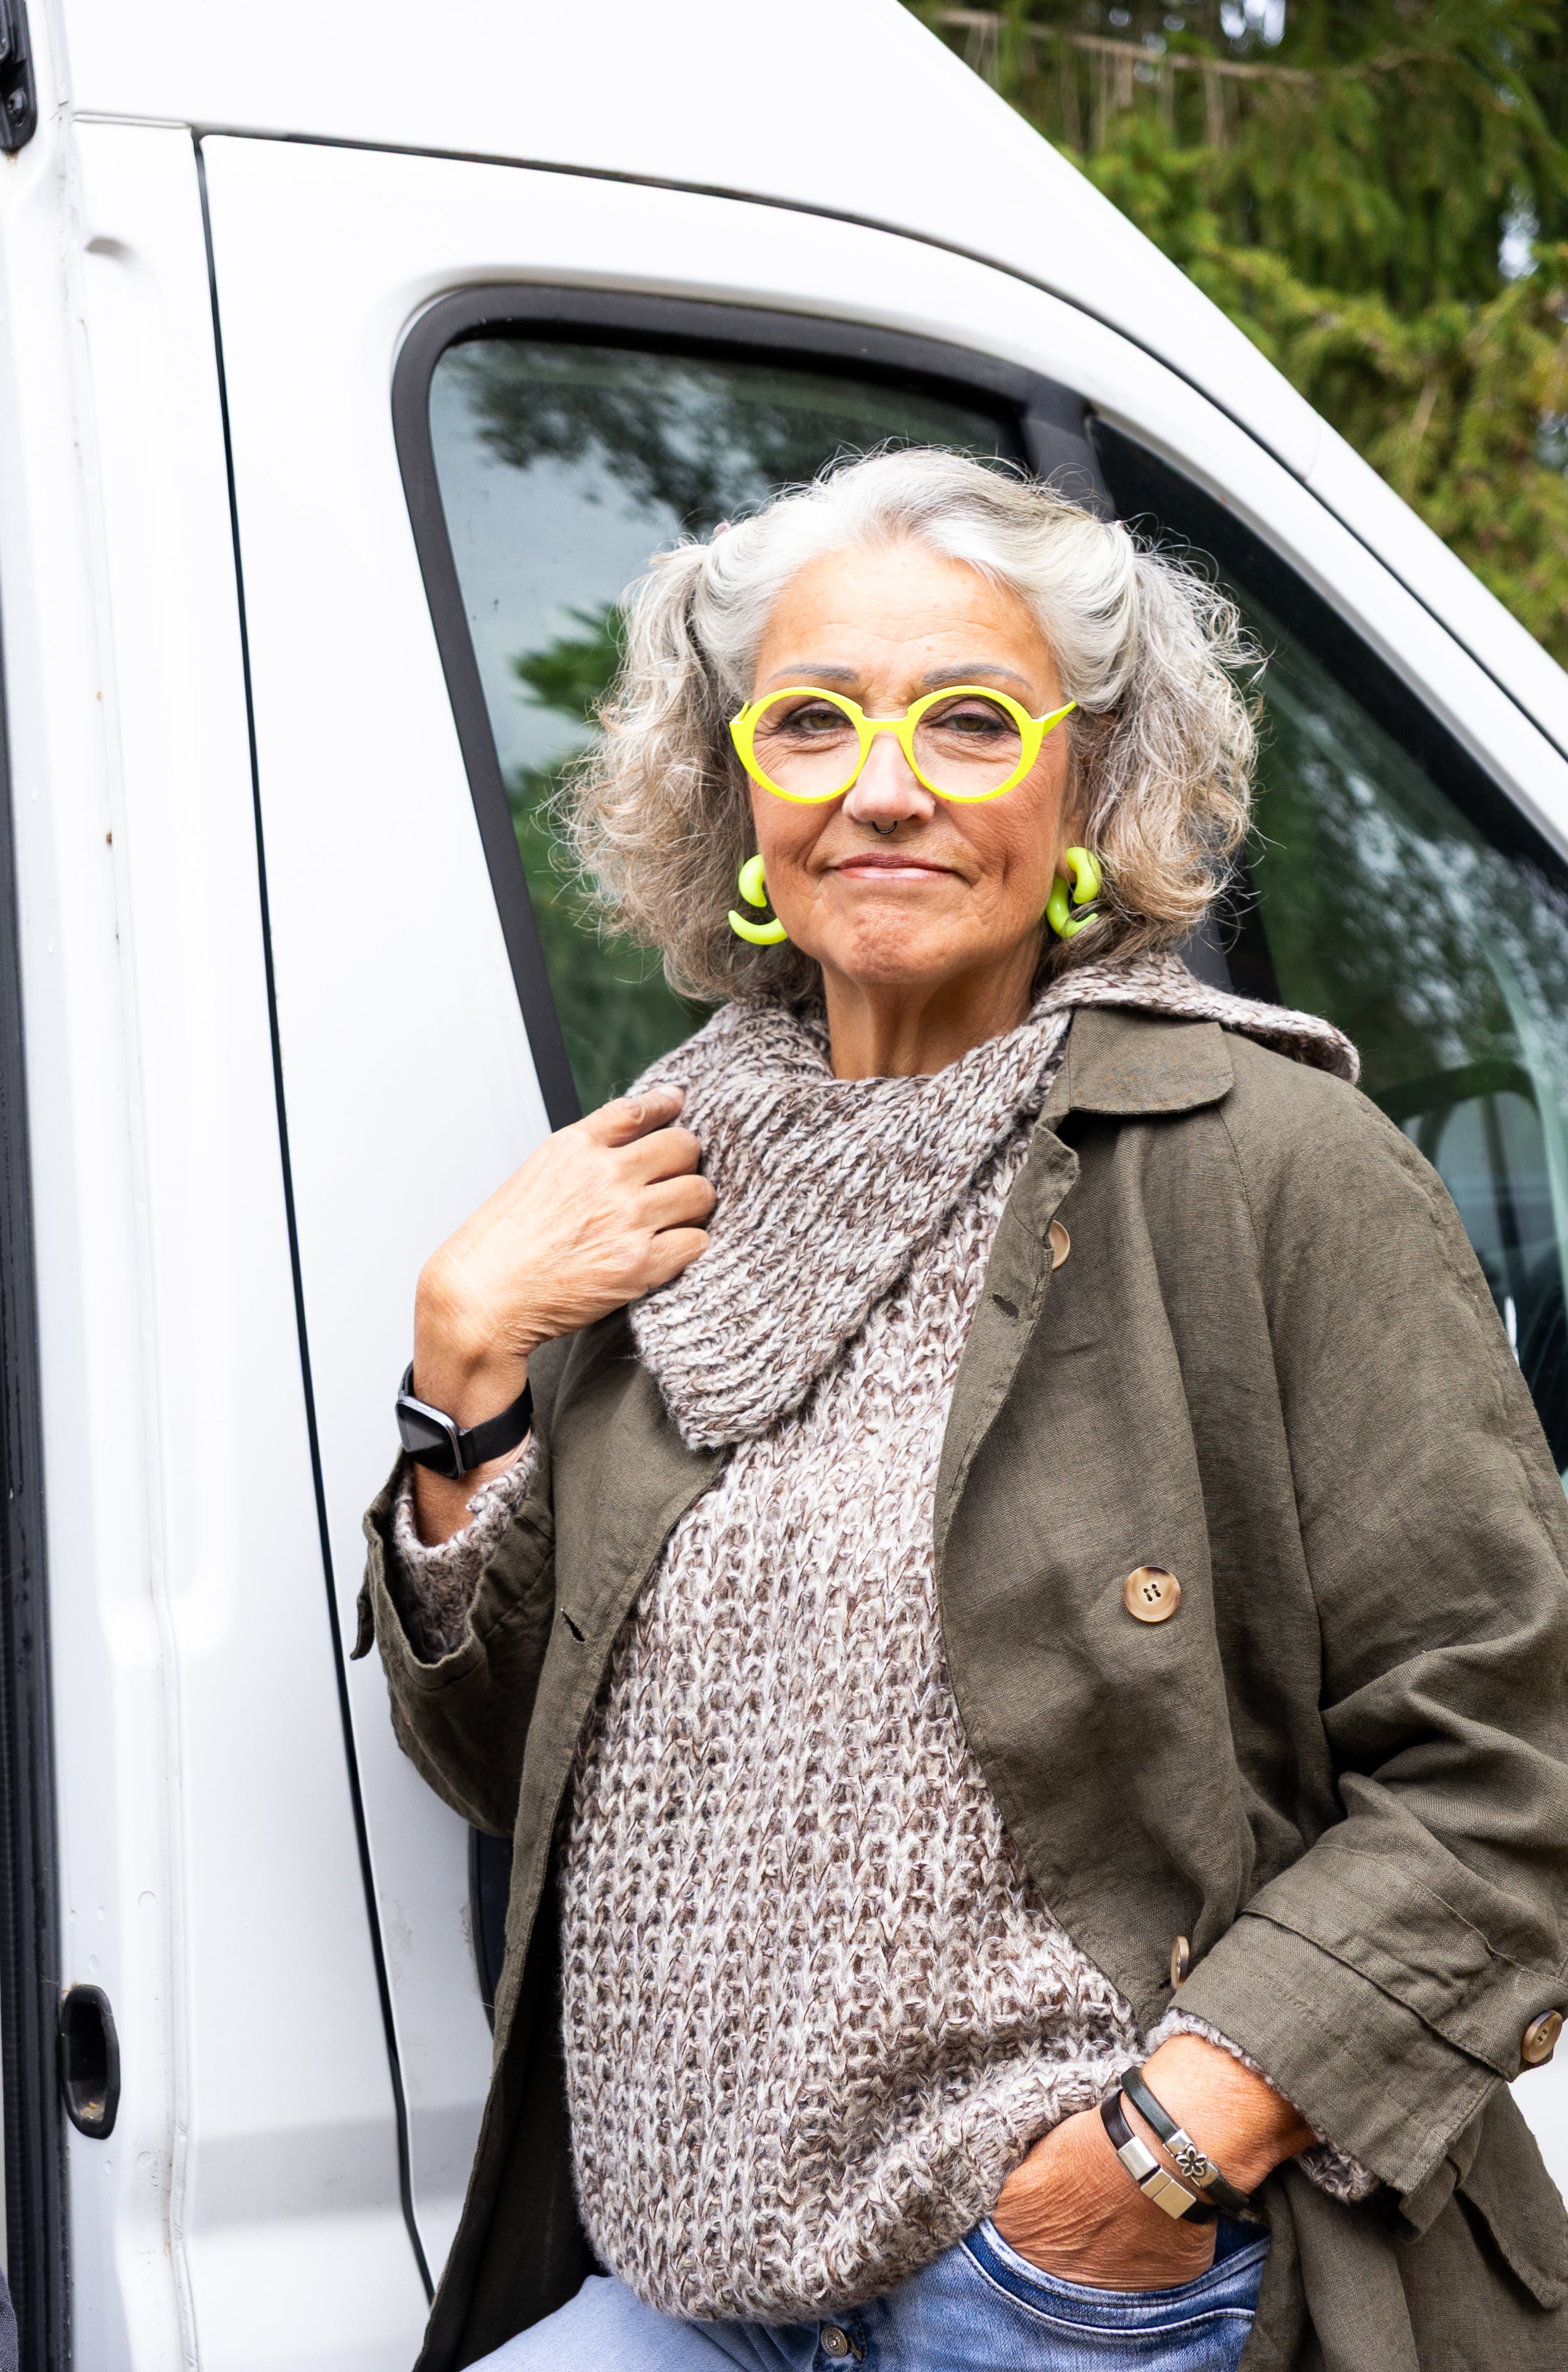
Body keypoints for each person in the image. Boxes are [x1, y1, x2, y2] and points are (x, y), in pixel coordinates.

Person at [356, 450, 1568, 2372]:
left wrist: (1143, 2172)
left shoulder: (1271, 1163)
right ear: (736, 792)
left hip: (1067, 2296)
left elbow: (1511, 1767)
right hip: (690, 2292)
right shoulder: (658, 1185)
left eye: (972, 722)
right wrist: (464, 1370)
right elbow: (515, 1772)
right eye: (813, 721)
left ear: (1090, 787)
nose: (885, 786)